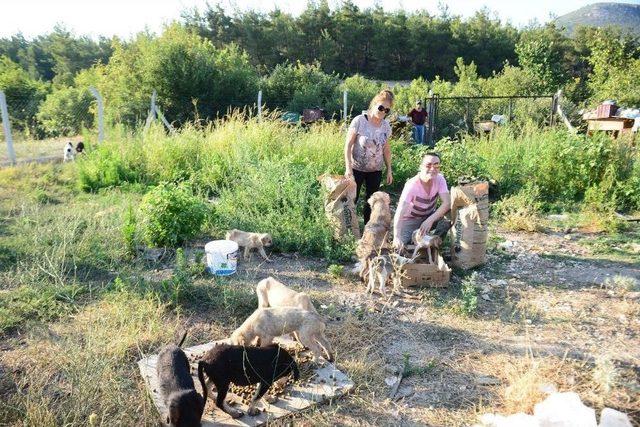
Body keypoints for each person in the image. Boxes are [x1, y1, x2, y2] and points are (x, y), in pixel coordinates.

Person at [344, 89, 394, 225]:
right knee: (351, 199)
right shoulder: (359, 121)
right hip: (356, 168)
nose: (383, 111)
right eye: (381, 107)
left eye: (387, 110)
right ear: (374, 104)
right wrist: (348, 169)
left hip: (375, 170)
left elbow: (386, 148)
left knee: (371, 202)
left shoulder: (386, 126)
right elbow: (348, 146)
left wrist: (389, 169)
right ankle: (349, 230)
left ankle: (368, 229)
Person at [392, 152, 451, 249]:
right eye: (428, 165)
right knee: (399, 246)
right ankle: (419, 239)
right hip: (411, 220)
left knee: (450, 213)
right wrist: (396, 237)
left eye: (436, 166)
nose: (432, 169)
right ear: (421, 166)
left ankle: (434, 241)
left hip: (429, 217)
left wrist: (429, 220)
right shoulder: (411, 185)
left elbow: (447, 203)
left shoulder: (440, 179)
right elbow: (400, 211)